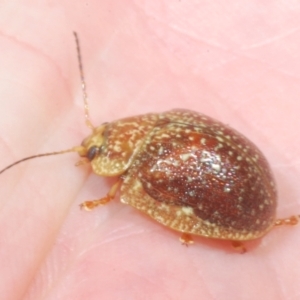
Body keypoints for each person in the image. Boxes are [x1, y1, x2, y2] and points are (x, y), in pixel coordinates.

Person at [0, 1, 299, 299]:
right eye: (94, 148)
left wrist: (106, 197)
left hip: (248, 203)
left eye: (93, 151)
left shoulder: (143, 173)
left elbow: (158, 206)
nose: (89, 146)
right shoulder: (164, 120)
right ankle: (257, 228)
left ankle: (252, 229)